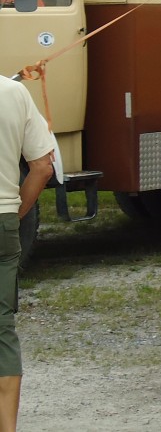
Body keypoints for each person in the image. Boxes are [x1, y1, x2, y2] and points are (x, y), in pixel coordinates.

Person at [0, 76, 56, 431]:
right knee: (2, 330)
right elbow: (43, 166)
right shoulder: (14, 91)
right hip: (3, 219)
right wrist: (15, 214)